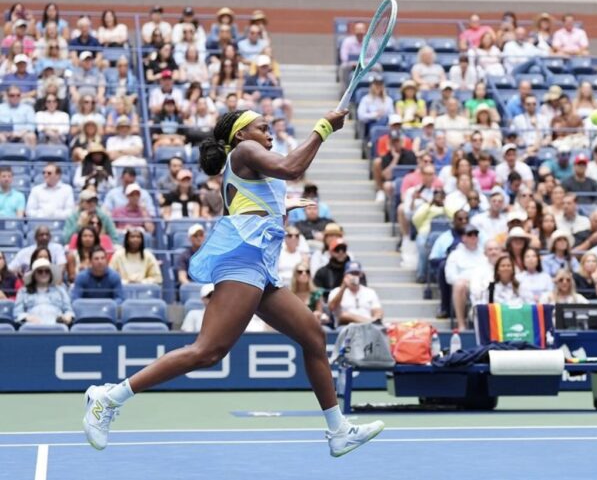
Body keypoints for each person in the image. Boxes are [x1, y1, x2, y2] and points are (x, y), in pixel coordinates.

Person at [82, 107, 383, 456]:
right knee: (207, 351)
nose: (269, 133)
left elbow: (248, 205)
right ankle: (108, 397)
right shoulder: (244, 151)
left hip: (261, 265)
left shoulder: (251, 165)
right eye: (262, 127)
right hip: (243, 261)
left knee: (313, 336)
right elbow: (293, 167)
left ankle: (339, 430)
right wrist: (324, 128)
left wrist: (281, 206)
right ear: (241, 135)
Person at [445, 224, 488, 331]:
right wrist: (464, 280)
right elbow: (449, 276)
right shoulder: (455, 254)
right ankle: (461, 324)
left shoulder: (484, 253)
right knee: (459, 285)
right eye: (470, 234)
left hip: (484, 283)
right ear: (463, 237)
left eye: (475, 234)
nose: (473, 237)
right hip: (466, 284)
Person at [13, 258, 72, 326]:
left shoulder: (61, 290)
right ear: (34, 275)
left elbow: (68, 311)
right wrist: (28, 318)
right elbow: (17, 313)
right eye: (40, 271)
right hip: (32, 328)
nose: (44, 274)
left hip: (57, 327)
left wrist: (67, 317)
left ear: (51, 274)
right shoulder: (23, 291)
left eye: (47, 271)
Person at [327, 261, 382, 326]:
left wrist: (377, 316)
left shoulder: (370, 292)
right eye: (351, 273)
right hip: (345, 328)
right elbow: (331, 308)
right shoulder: (336, 291)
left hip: (367, 330)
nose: (354, 276)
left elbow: (377, 310)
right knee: (345, 315)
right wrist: (343, 287)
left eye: (356, 274)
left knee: (379, 314)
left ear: (361, 275)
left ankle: (369, 323)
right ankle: (369, 323)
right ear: (345, 275)